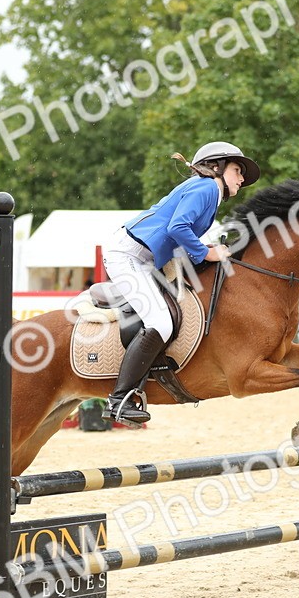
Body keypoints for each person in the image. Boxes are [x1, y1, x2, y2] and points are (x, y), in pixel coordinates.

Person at [102, 141, 260, 426]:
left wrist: (205, 251)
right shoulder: (207, 187)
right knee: (161, 322)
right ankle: (120, 400)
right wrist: (207, 252)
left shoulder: (207, 192)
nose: (242, 178)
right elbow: (177, 228)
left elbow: (179, 234)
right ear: (217, 167)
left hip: (145, 257)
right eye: (238, 170)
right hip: (128, 255)